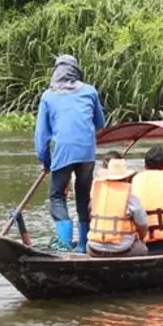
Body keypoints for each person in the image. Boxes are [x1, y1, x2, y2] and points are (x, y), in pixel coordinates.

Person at [34, 54, 106, 253]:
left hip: (64, 153)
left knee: (57, 196)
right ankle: (83, 246)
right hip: (87, 154)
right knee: (83, 197)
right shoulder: (89, 91)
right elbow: (101, 123)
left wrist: (46, 161)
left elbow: (41, 136)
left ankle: (65, 245)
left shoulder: (48, 96)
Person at [87, 157, 148, 257]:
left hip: (93, 249)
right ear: (127, 178)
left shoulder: (96, 194)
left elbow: (90, 216)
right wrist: (141, 238)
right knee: (143, 249)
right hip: (123, 249)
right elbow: (143, 224)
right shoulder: (131, 197)